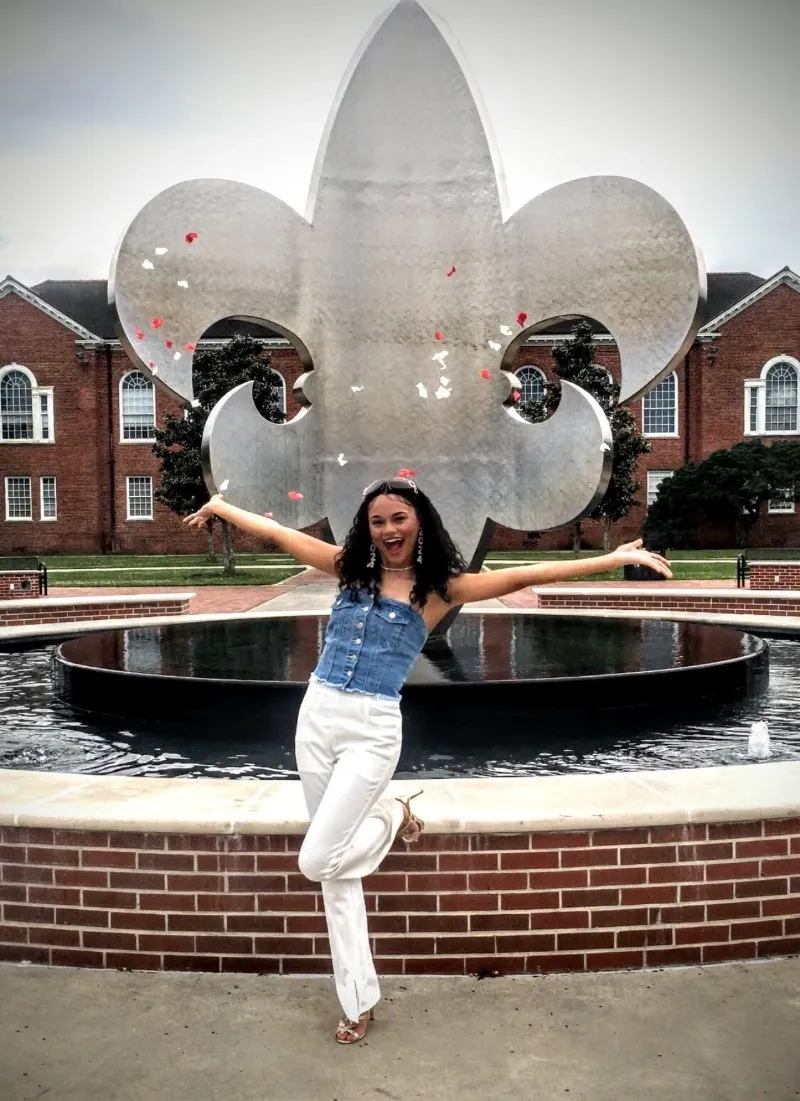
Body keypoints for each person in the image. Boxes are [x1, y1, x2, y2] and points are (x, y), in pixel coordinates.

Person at [185, 477, 671, 1044]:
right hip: (316, 719)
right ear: (366, 530)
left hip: (371, 730)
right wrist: (220, 505)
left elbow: (525, 575)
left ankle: (391, 815)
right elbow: (274, 530)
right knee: (337, 880)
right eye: (378, 521)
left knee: (318, 859)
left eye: (399, 518)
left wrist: (610, 558)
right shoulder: (349, 568)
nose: (388, 530)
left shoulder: (441, 589)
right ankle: (358, 999)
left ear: (419, 522)